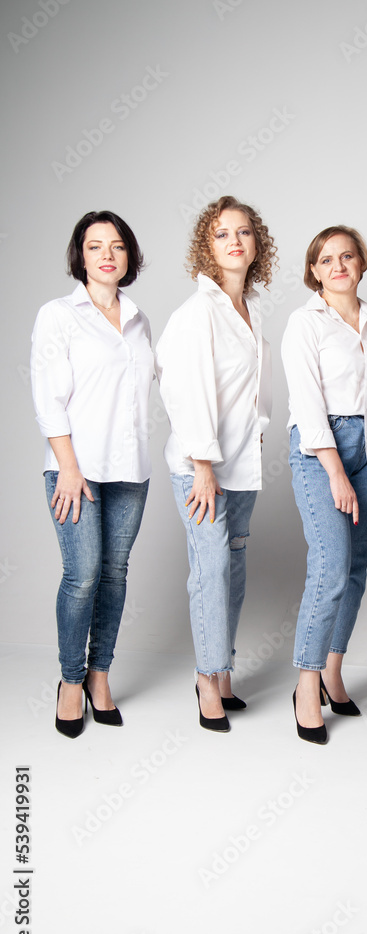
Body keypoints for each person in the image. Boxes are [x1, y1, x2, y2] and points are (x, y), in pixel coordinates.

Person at [155, 196, 276, 732]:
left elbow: (250, 385)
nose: (234, 241)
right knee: (211, 570)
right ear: (207, 246)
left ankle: (223, 669)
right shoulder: (198, 311)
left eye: (244, 232)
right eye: (222, 233)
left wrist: (259, 427)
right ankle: (207, 678)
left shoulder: (249, 308)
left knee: (235, 568)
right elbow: (183, 389)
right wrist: (202, 462)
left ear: (257, 244)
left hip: (242, 462)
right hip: (201, 467)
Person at [31, 210, 153, 738]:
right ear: (80, 256)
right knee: (82, 576)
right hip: (75, 471)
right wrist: (68, 468)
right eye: (95, 245)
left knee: (114, 574)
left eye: (117, 245)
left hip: (130, 470)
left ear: (129, 256)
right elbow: (48, 399)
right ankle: (70, 680)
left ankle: (100, 676)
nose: (107, 254)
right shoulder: (58, 315)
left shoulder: (140, 320)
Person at [282, 226, 367, 744]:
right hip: (321, 446)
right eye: (327, 259)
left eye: (347, 256)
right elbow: (306, 403)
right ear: (314, 271)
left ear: (361, 262)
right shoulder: (305, 323)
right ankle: (306, 685)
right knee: (330, 567)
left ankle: (332, 671)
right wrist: (335, 471)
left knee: (355, 568)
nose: (338, 266)